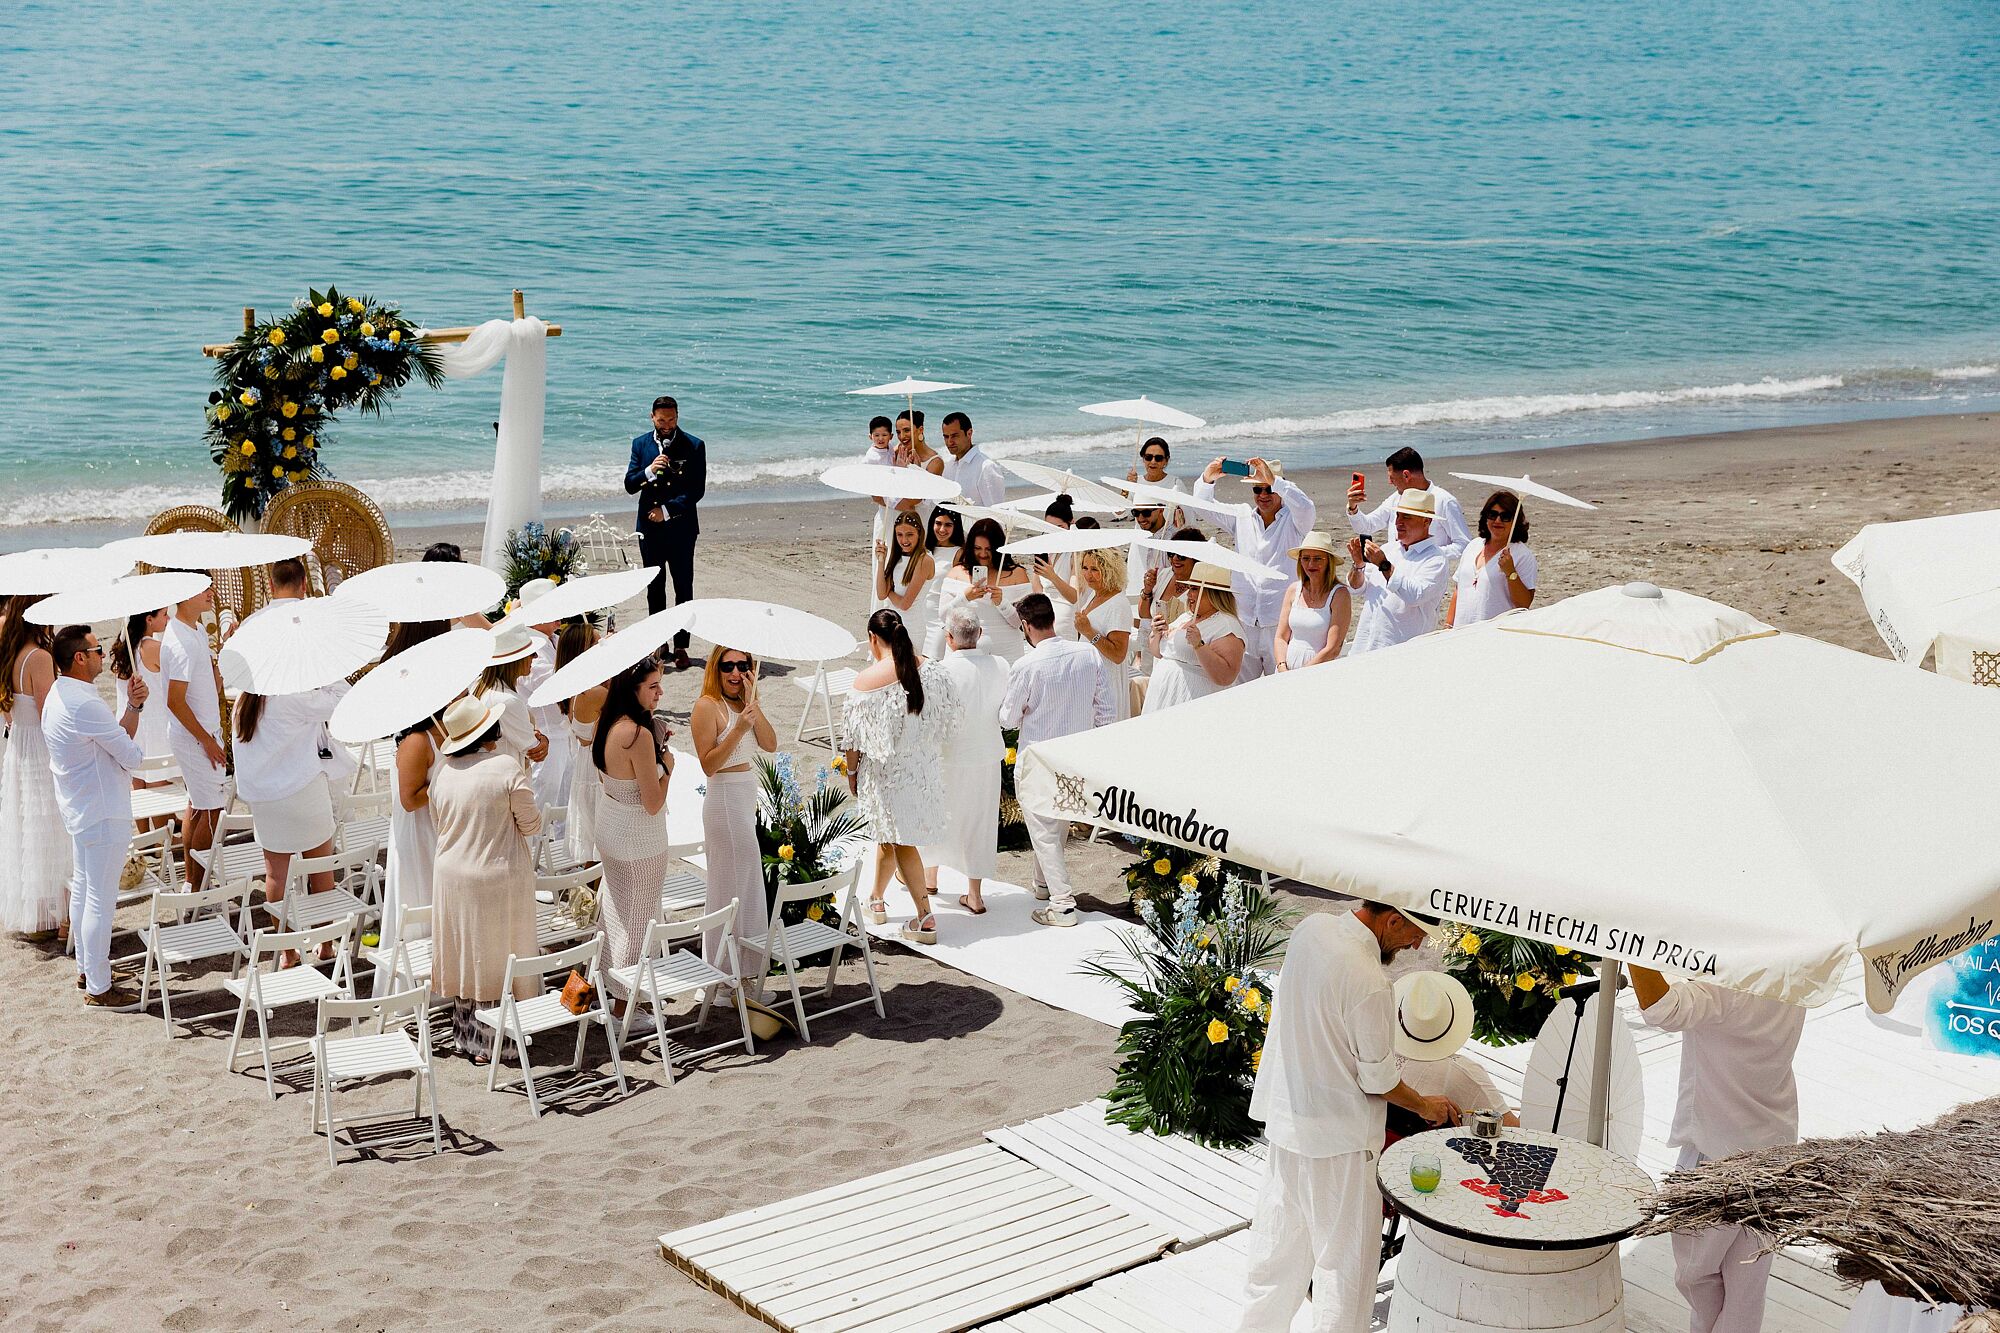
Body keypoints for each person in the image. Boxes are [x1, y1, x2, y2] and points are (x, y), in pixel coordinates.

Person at [1237, 905, 1461, 1333]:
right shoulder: (1369, 980)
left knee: (1275, 1263)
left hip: (1289, 1123)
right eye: (1415, 934)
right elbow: (1379, 1080)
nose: (1417, 945)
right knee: (1344, 1277)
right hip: (1341, 1144)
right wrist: (1424, 1106)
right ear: (1392, 919)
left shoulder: (1310, 930)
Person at [1628, 963, 1805, 1333]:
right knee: (1747, 1283)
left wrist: (1631, 944)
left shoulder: (1729, 984)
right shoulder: (1797, 973)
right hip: (1775, 1143)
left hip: (1717, 1152)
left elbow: (1661, 1008)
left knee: (1694, 1272)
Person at [430, 693, 542, 1062]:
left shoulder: (442, 772)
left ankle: (468, 1034)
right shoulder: (506, 767)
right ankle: (496, 1040)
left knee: (468, 953)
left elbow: (437, 822)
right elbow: (532, 824)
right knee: (498, 953)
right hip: (496, 871)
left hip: (452, 874)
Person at [42, 623, 150, 1006]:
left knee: (85, 892)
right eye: (97, 649)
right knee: (100, 902)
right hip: (102, 811)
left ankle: (88, 971)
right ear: (79, 658)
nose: (103, 654)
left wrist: (133, 707)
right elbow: (131, 755)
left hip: (82, 808)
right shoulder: (85, 704)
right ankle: (99, 988)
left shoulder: (59, 694)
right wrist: (132, 719)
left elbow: (115, 739)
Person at [842, 609, 961, 945]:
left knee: (902, 840)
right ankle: (876, 898)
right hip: (922, 767)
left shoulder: (866, 680)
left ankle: (925, 918)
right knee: (889, 834)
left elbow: (853, 739)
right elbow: (948, 715)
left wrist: (852, 772)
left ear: (872, 638)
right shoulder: (931, 668)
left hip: (886, 772)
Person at [1001, 594, 1113, 928]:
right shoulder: (1087, 653)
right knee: (1056, 825)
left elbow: (1008, 718)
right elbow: (1106, 712)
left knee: (1044, 831)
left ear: (1025, 626)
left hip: (1039, 758)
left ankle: (1062, 904)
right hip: (1075, 755)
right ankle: (1042, 884)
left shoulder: (1026, 665)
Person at [232, 680, 353, 964]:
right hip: (304, 792)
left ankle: (287, 951)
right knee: (320, 871)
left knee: (276, 877)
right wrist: (325, 675)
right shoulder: (291, 698)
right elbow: (344, 700)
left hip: (266, 800)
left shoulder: (243, 701)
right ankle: (325, 945)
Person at [693, 646, 777, 989]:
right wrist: (739, 728)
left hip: (743, 799)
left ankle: (737, 975)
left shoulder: (745, 704)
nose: (735, 673)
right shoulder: (706, 706)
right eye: (727, 666)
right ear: (716, 668)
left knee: (746, 886)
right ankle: (726, 977)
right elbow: (709, 765)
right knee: (730, 890)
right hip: (725, 800)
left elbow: (770, 744)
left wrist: (753, 703)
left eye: (743, 665)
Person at [920, 607, 1011, 915]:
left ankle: (930, 877)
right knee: (980, 821)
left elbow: (929, 716)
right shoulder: (1001, 665)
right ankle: (974, 894)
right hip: (986, 753)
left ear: (949, 638)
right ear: (980, 634)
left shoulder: (938, 671)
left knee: (938, 814)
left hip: (948, 753)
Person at [1193, 457, 1316, 681]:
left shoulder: (1295, 521)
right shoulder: (1241, 516)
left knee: (1281, 687)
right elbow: (1203, 506)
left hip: (1279, 624)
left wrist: (1275, 481)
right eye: (1257, 489)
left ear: (1280, 488)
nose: (1263, 495)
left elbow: (1306, 507)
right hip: (1244, 620)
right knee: (1239, 689)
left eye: (1269, 489)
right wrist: (1207, 477)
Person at [591, 657, 675, 974]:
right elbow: (652, 803)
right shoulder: (636, 735)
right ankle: (626, 996)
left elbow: (610, 780)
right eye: (653, 686)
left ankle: (606, 983)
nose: (660, 692)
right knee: (639, 921)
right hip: (639, 840)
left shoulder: (606, 724)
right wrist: (667, 767)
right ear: (633, 689)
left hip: (610, 826)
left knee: (614, 913)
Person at [0, 597, 71, 939]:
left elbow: (10, 712)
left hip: (19, 746)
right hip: (40, 748)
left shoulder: (10, 654)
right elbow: (49, 713)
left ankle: (39, 913)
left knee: (30, 828)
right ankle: (62, 918)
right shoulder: (39, 657)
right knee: (52, 828)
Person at [625, 393, 706, 669]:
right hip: (650, 529)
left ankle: (681, 645)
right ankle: (659, 642)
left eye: (671, 419)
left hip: (682, 528)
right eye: (662, 420)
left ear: (677, 416)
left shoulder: (694, 445)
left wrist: (667, 510)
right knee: (655, 587)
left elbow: (696, 490)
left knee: (683, 587)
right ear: (652, 417)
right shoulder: (640, 444)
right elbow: (630, 485)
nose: (667, 425)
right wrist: (648, 471)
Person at [161, 586, 227, 889]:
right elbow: (175, 701)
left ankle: (193, 883)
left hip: (201, 732)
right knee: (213, 809)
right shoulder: (180, 641)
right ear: (186, 594)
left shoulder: (195, 630)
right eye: (203, 588)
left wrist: (219, 661)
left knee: (200, 805)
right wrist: (207, 740)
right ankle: (197, 887)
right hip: (195, 737)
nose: (211, 592)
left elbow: (208, 687)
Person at [376, 707, 444, 997]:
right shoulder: (416, 741)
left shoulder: (446, 731)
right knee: (418, 893)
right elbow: (409, 800)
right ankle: (412, 989)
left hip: (440, 824)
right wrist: (446, 783)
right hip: (418, 830)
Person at [1344, 490, 1453, 655]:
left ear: (1426, 521)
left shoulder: (1436, 559)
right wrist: (1358, 566)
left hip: (1401, 652)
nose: (1398, 522)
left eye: (1406, 517)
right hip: (1363, 647)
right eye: (1398, 516)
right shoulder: (1389, 549)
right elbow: (1356, 588)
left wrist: (1384, 564)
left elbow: (1415, 595)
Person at [1142, 562, 1244, 714]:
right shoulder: (1186, 617)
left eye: (1195, 589)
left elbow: (1226, 677)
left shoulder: (1226, 626)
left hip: (1193, 703)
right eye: (1189, 588)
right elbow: (1158, 653)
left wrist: (1199, 646)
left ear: (1213, 594)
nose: (1189, 594)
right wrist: (1156, 633)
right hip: (1162, 699)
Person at [1345, 446, 1471, 564]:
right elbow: (1366, 527)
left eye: (1392, 478)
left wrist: (1425, 553)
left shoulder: (1444, 501)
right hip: (1393, 571)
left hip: (1426, 571)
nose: (1390, 482)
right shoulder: (1396, 498)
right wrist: (1353, 507)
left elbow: (1464, 545)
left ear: (1406, 475)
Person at [513, 578, 573, 817]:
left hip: (564, 734)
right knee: (542, 804)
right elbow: (551, 683)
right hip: (545, 738)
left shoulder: (555, 639)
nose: (559, 615)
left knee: (565, 805)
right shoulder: (528, 645)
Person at [938, 517, 1030, 660]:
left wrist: (1002, 603)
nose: (982, 554)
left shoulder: (1018, 574)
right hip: (964, 654)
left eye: (988, 549)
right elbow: (944, 616)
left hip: (1007, 652)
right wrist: (965, 597)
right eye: (977, 548)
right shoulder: (956, 573)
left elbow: (1020, 623)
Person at [1448, 490, 1538, 628]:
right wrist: (1448, 625)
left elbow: (1524, 604)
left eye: (1505, 517)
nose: (1497, 521)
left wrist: (1510, 572)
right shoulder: (1473, 545)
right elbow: (1459, 589)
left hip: (1494, 633)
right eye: (1492, 515)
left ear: (1515, 521)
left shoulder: (1522, 556)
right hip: (1460, 632)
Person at [556, 623, 606, 867]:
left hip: (586, 768)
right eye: (597, 643)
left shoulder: (576, 688)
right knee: (601, 848)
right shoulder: (594, 692)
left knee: (592, 846)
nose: (603, 647)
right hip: (598, 771)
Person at [1068, 547, 1136, 721]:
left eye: (1095, 569)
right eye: (1085, 568)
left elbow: (1118, 654)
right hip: (1088, 680)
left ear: (1110, 570)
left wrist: (1089, 632)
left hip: (1106, 684)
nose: (1088, 575)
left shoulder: (1118, 604)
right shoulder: (1093, 595)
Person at [1273, 533, 1352, 671]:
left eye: (1317, 559)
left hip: (1319, 670)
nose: (1311, 564)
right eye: (1306, 558)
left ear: (1329, 562)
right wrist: (1281, 666)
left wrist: (1302, 674)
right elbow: (1280, 637)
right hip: (1286, 671)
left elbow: (1333, 648)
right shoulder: (1293, 590)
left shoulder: (1340, 595)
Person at [474, 624, 548, 769]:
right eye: (530, 653)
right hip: (507, 776)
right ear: (515, 660)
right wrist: (543, 739)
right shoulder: (507, 700)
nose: (536, 656)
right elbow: (534, 750)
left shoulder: (480, 686)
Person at [107, 605, 172, 763]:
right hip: (155, 729)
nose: (168, 618)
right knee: (161, 777)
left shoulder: (125, 648)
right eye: (164, 614)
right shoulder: (154, 648)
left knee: (137, 776)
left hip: (129, 725)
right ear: (149, 619)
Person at [875, 511, 936, 653]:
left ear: (919, 533)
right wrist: (881, 561)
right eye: (899, 535)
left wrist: (889, 591)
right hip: (892, 624)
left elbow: (905, 604)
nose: (904, 540)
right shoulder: (898, 557)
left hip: (911, 627)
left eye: (909, 534)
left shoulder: (924, 560)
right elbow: (881, 594)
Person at [920, 506, 966, 659]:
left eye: (948, 525)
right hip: (919, 615)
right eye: (938, 523)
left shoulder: (959, 553)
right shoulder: (924, 549)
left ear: (955, 527)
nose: (942, 529)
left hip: (940, 618)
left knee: (934, 661)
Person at [938, 410, 1006, 506]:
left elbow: (997, 511)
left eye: (954, 436)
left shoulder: (986, 468)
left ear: (969, 433)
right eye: (946, 437)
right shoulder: (948, 467)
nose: (949, 441)